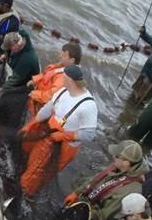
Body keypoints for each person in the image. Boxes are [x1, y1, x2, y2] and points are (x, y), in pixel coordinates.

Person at [18, 65, 97, 198]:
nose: (61, 79)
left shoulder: (88, 106)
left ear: (71, 81)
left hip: (64, 146)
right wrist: (31, 124)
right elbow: (49, 108)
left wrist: (62, 136)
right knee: (27, 151)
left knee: (40, 173)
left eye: (64, 77)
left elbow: (89, 134)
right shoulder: (63, 91)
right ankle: (25, 176)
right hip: (50, 133)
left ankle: (26, 194)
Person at [64, 140, 147, 220]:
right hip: (87, 204)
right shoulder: (120, 165)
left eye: (116, 156)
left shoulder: (129, 191)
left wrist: (76, 209)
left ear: (126, 162)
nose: (113, 157)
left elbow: (104, 217)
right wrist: (77, 192)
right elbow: (95, 179)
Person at [26, 42, 82, 117]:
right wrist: (34, 80)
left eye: (63, 55)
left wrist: (34, 94)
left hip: (41, 107)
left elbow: (52, 96)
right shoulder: (61, 66)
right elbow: (46, 74)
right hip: (36, 99)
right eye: (61, 53)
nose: (60, 56)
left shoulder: (66, 77)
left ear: (72, 60)